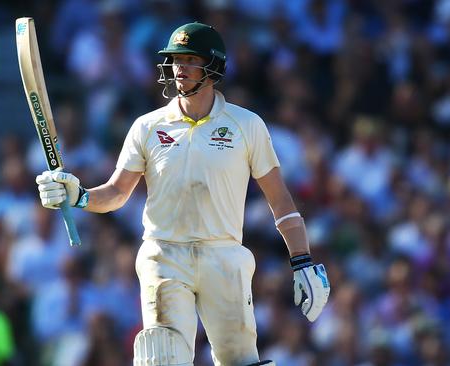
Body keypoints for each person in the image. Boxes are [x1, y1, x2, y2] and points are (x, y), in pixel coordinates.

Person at [35, 22, 330, 366]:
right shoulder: (147, 126)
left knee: (240, 360)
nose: (179, 68)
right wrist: (80, 196)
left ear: (213, 67)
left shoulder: (246, 125)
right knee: (163, 356)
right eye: (175, 59)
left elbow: (280, 201)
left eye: (190, 59)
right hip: (164, 254)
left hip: (224, 254)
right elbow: (117, 192)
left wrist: (302, 261)